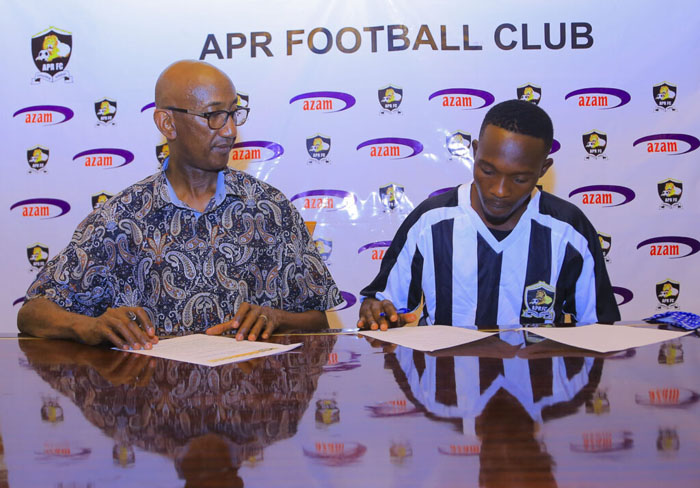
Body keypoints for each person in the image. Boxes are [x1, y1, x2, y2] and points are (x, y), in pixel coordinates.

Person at [18, 60, 341, 349]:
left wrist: (277, 318)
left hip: (253, 396)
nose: (230, 130)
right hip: (153, 396)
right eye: (214, 115)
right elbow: (33, 313)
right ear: (167, 124)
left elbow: (318, 320)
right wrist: (88, 326)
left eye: (233, 113)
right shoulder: (121, 218)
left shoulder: (271, 209)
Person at [358, 99, 620, 331]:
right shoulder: (430, 221)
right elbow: (382, 304)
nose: (499, 191)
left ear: (543, 169)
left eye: (519, 178)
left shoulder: (569, 229)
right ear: (475, 152)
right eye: (488, 171)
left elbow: (598, 330)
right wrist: (378, 313)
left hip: (539, 373)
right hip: (446, 373)